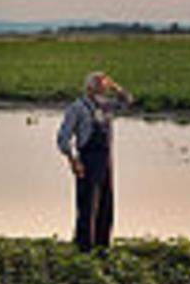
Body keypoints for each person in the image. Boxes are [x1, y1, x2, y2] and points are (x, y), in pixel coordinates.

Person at [56, 72, 133, 254]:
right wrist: (73, 161)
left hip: (106, 160)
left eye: (105, 88)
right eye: (100, 87)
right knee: (88, 205)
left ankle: (102, 245)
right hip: (87, 160)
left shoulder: (106, 106)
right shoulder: (77, 108)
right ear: (89, 88)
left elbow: (128, 101)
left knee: (106, 203)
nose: (103, 91)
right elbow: (63, 139)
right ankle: (84, 248)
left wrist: (115, 86)